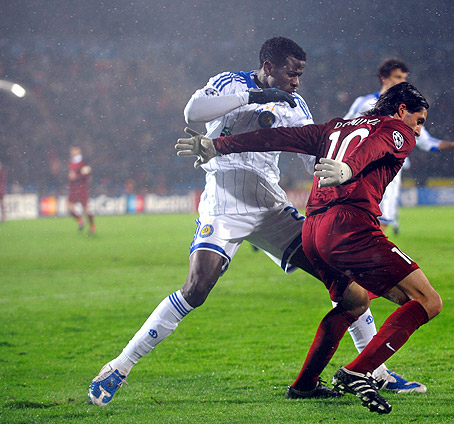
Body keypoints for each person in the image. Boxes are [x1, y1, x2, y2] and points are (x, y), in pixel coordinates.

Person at [89, 36, 409, 406]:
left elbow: (311, 156)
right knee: (196, 288)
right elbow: (193, 112)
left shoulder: (295, 104)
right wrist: (254, 97)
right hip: (223, 205)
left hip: (271, 208)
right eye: (291, 74)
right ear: (268, 67)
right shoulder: (230, 83)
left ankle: (375, 372)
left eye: (300, 75)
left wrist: (345, 169)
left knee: (347, 284)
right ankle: (119, 367)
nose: (296, 82)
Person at [177, 82, 442, 414]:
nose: (418, 130)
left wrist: (218, 145)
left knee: (354, 301)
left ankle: (305, 385)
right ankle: (359, 371)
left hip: (313, 230)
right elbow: (375, 146)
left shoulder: (336, 127)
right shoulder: (395, 128)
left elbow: (278, 138)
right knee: (427, 301)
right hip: (350, 227)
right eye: (419, 121)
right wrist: (349, 169)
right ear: (402, 110)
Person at [345, 58, 454, 233]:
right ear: (384, 78)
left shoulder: (407, 111)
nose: (402, 81)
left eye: (404, 78)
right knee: (363, 223)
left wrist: (453, 145)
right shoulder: (364, 103)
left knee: (380, 223)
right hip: (363, 170)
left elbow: (426, 142)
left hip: (390, 174)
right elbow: (343, 129)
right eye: (398, 77)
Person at [68, 146, 95, 234]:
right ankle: (80, 220)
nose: (73, 151)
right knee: (69, 208)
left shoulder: (83, 162)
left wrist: (77, 176)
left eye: (75, 150)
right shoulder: (71, 162)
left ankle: (92, 226)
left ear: (78, 151)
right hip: (73, 187)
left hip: (81, 187)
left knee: (85, 208)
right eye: (72, 150)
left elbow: (87, 173)